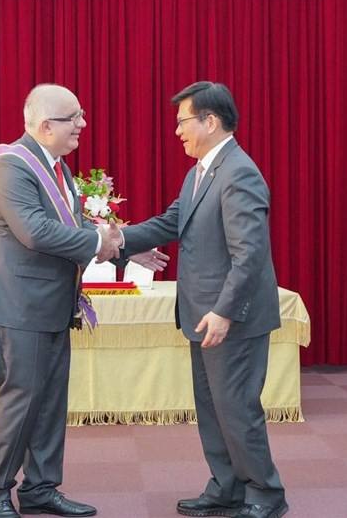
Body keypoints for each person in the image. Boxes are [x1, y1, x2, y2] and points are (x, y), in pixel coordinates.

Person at [0, 83, 156, 518]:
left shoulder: (57, 168)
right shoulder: (10, 167)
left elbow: (75, 226)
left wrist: (126, 248)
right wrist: (102, 241)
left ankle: (40, 488)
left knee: (51, 400)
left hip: (53, 303)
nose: (82, 124)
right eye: (73, 117)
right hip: (21, 306)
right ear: (44, 125)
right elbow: (36, 232)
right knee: (22, 398)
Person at [122, 81, 288, 518]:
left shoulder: (240, 173)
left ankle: (266, 495)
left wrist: (224, 311)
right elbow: (170, 221)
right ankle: (228, 486)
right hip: (202, 315)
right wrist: (112, 240)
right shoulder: (201, 171)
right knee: (213, 409)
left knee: (237, 409)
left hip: (230, 318)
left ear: (210, 121)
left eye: (183, 122)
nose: (177, 132)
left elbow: (250, 255)